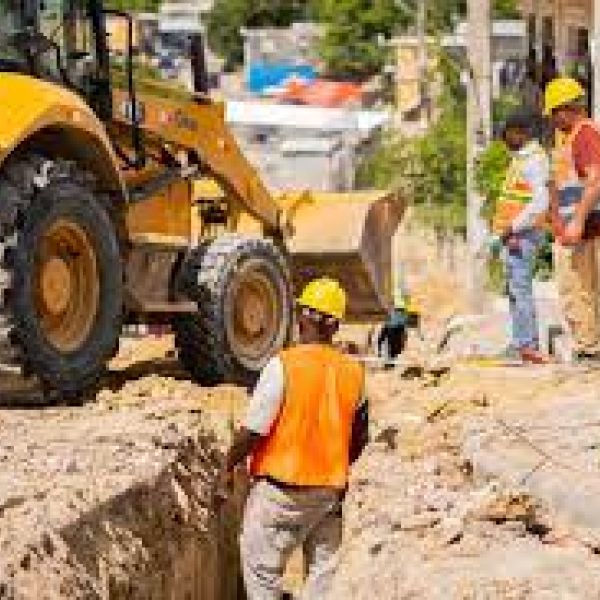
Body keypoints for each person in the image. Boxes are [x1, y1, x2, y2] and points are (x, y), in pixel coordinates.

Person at [214, 277, 368, 600]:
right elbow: (359, 438)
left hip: (280, 493)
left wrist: (227, 468)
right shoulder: (354, 373)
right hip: (329, 493)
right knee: (323, 575)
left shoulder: (283, 366)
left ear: (302, 317)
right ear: (335, 325)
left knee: (261, 572)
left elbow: (254, 430)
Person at [545, 77, 600, 360]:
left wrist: (577, 221)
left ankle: (588, 349)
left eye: (554, 113)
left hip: (586, 229)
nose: (552, 120)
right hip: (575, 230)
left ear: (566, 109)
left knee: (578, 290)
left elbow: (595, 180)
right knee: (580, 290)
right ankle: (589, 346)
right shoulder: (572, 138)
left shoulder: (585, 135)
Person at [491, 111, 551, 364]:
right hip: (515, 236)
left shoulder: (533, 161)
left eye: (506, 135)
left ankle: (527, 345)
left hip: (522, 235)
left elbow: (540, 203)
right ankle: (520, 343)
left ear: (520, 133)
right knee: (516, 290)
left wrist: (512, 228)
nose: (504, 141)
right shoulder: (521, 159)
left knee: (520, 290)